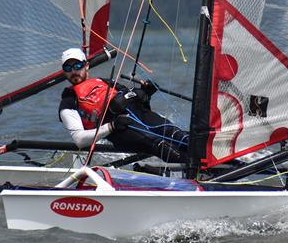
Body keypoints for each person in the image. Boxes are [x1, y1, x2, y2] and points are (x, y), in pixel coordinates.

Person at [58, 47, 190, 163]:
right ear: (64, 71)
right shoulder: (68, 100)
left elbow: (138, 103)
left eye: (77, 66)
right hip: (120, 130)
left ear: (86, 65)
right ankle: (198, 169)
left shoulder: (104, 82)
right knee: (161, 146)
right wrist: (111, 126)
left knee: (180, 136)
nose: (73, 71)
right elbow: (79, 140)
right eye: (68, 68)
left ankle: (207, 164)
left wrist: (146, 94)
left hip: (140, 116)